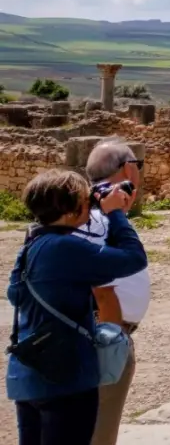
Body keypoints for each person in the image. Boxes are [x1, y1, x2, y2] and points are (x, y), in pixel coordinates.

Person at [8, 169, 145, 445]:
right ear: (72, 208)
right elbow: (134, 258)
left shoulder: (31, 246)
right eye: (85, 200)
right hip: (66, 380)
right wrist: (116, 213)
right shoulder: (67, 249)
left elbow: (15, 295)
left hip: (29, 375)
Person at [77, 140, 151, 445]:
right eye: (139, 167)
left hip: (102, 330)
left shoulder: (91, 212)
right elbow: (101, 289)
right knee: (100, 431)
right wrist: (115, 335)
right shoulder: (101, 217)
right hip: (106, 334)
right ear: (128, 169)